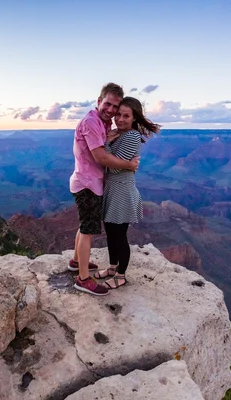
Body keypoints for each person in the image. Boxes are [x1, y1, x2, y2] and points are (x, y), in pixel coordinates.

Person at [69, 83, 140, 296]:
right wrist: (129, 165)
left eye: (115, 107)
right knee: (88, 230)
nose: (110, 110)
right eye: (107, 104)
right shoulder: (92, 122)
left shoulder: (103, 122)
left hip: (93, 183)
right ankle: (82, 279)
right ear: (99, 101)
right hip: (87, 184)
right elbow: (100, 157)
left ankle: (75, 261)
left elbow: (112, 144)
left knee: (85, 226)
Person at [93, 96, 161, 289]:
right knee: (111, 234)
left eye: (126, 116)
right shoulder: (119, 134)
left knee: (120, 236)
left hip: (122, 191)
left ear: (134, 118)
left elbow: (113, 168)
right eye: (118, 115)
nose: (120, 119)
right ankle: (113, 268)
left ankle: (121, 275)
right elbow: (114, 163)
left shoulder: (131, 136)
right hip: (112, 189)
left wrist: (105, 143)